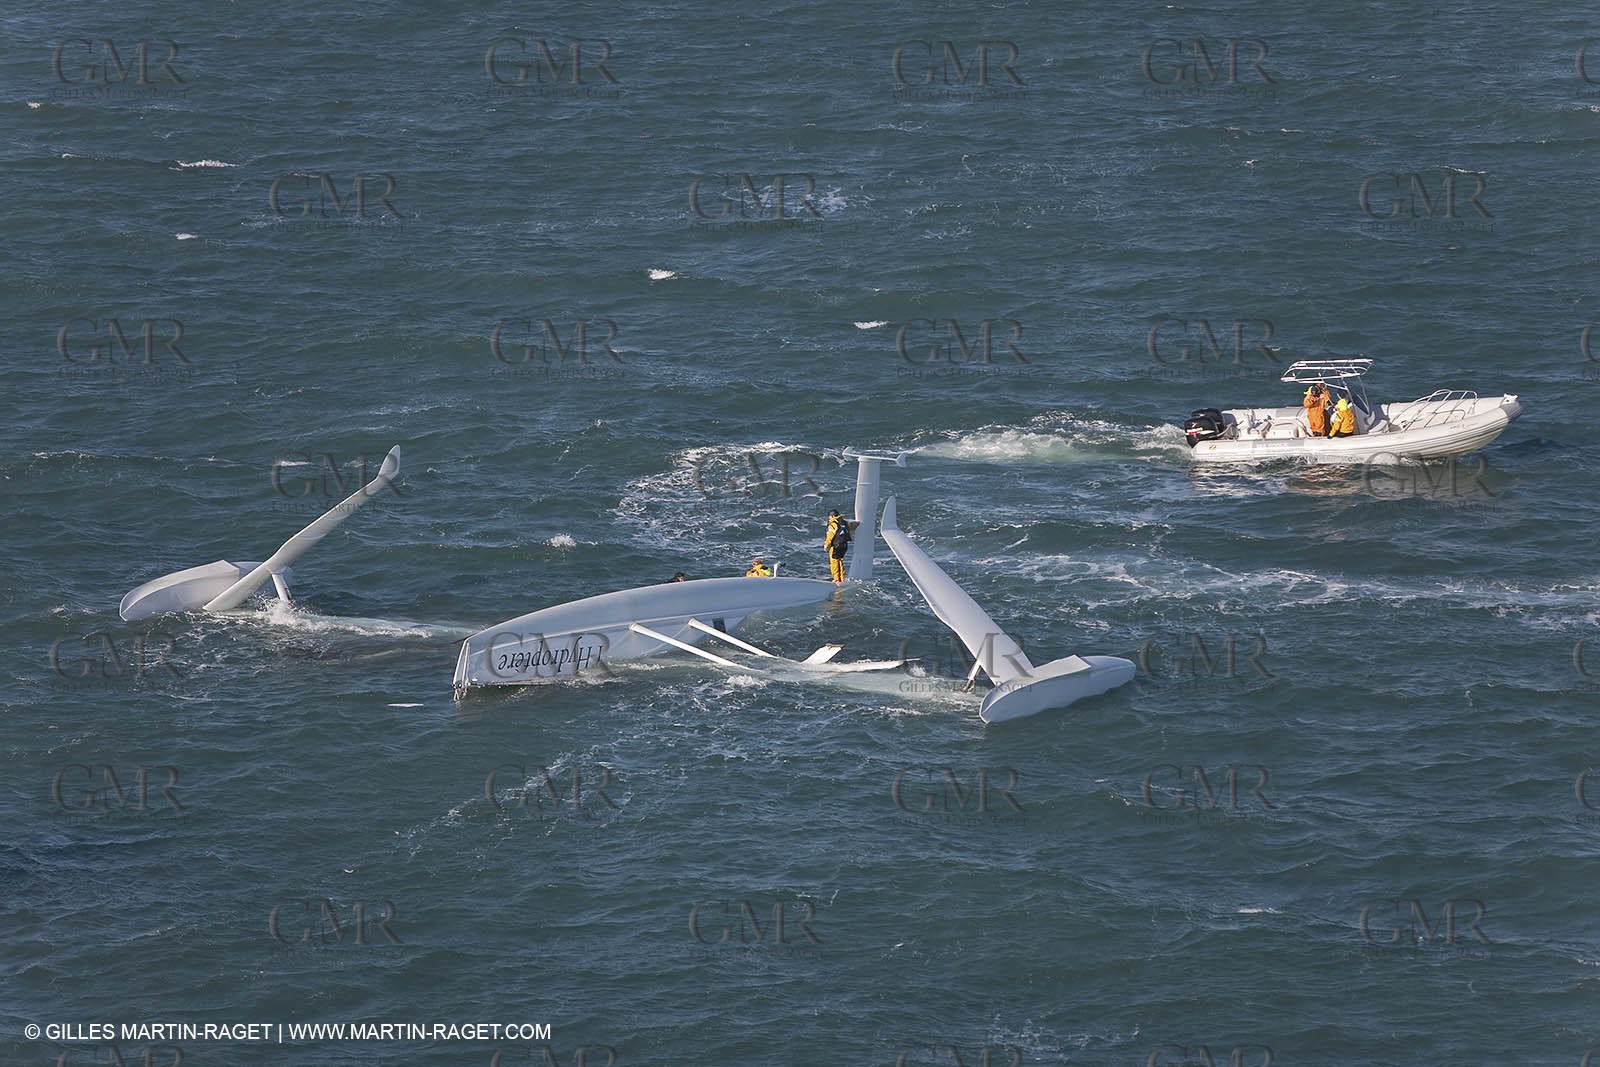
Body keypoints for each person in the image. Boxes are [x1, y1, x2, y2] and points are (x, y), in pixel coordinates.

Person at [824, 509, 858, 583]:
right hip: (844, 545)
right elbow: (853, 525)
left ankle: (836, 579)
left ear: (832, 516)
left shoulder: (833, 524)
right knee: (840, 561)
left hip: (836, 545)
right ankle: (842, 578)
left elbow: (830, 535)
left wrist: (827, 545)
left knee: (834, 562)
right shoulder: (843, 522)